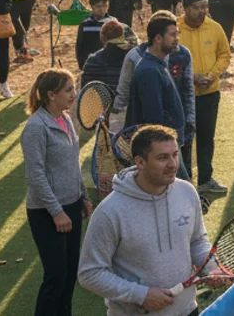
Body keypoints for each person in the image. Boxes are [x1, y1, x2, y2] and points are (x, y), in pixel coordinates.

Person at [79, 125, 214, 316]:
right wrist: (141, 295)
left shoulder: (187, 192)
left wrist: (211, 266)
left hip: (187, 309)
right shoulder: (110, 211)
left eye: (175, 155)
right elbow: (90, 273)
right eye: (162, 157)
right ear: (140, 162)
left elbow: (197, 240)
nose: (173, 164)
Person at [22, 69, 90, 316]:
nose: (74, 94)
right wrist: (57, 212)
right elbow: (35, 175)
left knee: (70, 273)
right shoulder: (36, 127)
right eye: (68, 90)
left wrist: (83, 196)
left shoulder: (65, 119)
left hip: (71, 205)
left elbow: (73, 163)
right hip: (47, 212)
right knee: (56, 276)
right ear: (51, 95)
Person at [176, 0, 229, 191]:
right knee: (184, 139)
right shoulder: (175, 29)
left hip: (209, 93)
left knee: (207, 138)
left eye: (204, 7)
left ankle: (206, 180)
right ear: (186, 9)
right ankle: (184, 181)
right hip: (183, 96)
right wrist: (191, 78)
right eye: (197, 8)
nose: (202, 11)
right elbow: (169, 59)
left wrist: (211, 76)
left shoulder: (215, 28)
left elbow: (224, 54)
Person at [127, 17, 187, 139]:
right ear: (158, 38)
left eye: (177, 34)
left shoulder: (157, 65)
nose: (177, 39)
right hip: (159, 144)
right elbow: (153, 119)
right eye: (172, 35)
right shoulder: (150, 71)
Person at [76, 0, 113, 68]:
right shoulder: (85, 25)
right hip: (89, 65)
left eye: (105, 6)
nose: (102, 9)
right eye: (98, 6)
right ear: (92, 7)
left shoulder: (112, 23)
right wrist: (82, 64)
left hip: (107, 65)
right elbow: (79, 46)